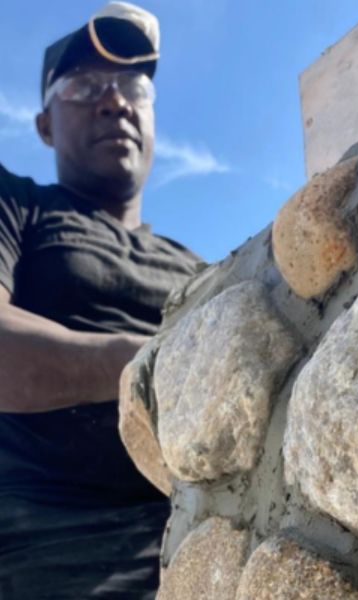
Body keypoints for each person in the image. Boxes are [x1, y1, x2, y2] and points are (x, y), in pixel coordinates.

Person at [0, 3, 205, 598]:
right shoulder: (19, 205)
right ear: (43, 125)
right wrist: (152, 365)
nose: (114, 101)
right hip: (47, 552)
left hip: (197, 547)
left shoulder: (198, 270)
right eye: (84, 85)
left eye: (133, 87)